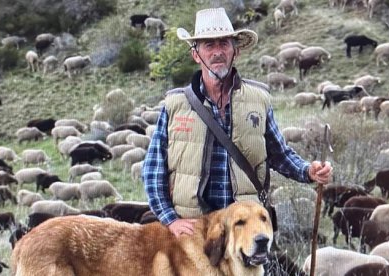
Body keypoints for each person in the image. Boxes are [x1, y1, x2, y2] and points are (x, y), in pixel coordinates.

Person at [142, 7, 332, 237]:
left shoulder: (258, 99)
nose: (217, 52)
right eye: (208, 45)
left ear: (235, 51)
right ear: (196, 54)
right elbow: (154, 168)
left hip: (245, 231)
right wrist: (169, 219)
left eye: (224, 44)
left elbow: (279, 154)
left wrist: (308, 171)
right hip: (194, 231)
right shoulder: (175, 104)